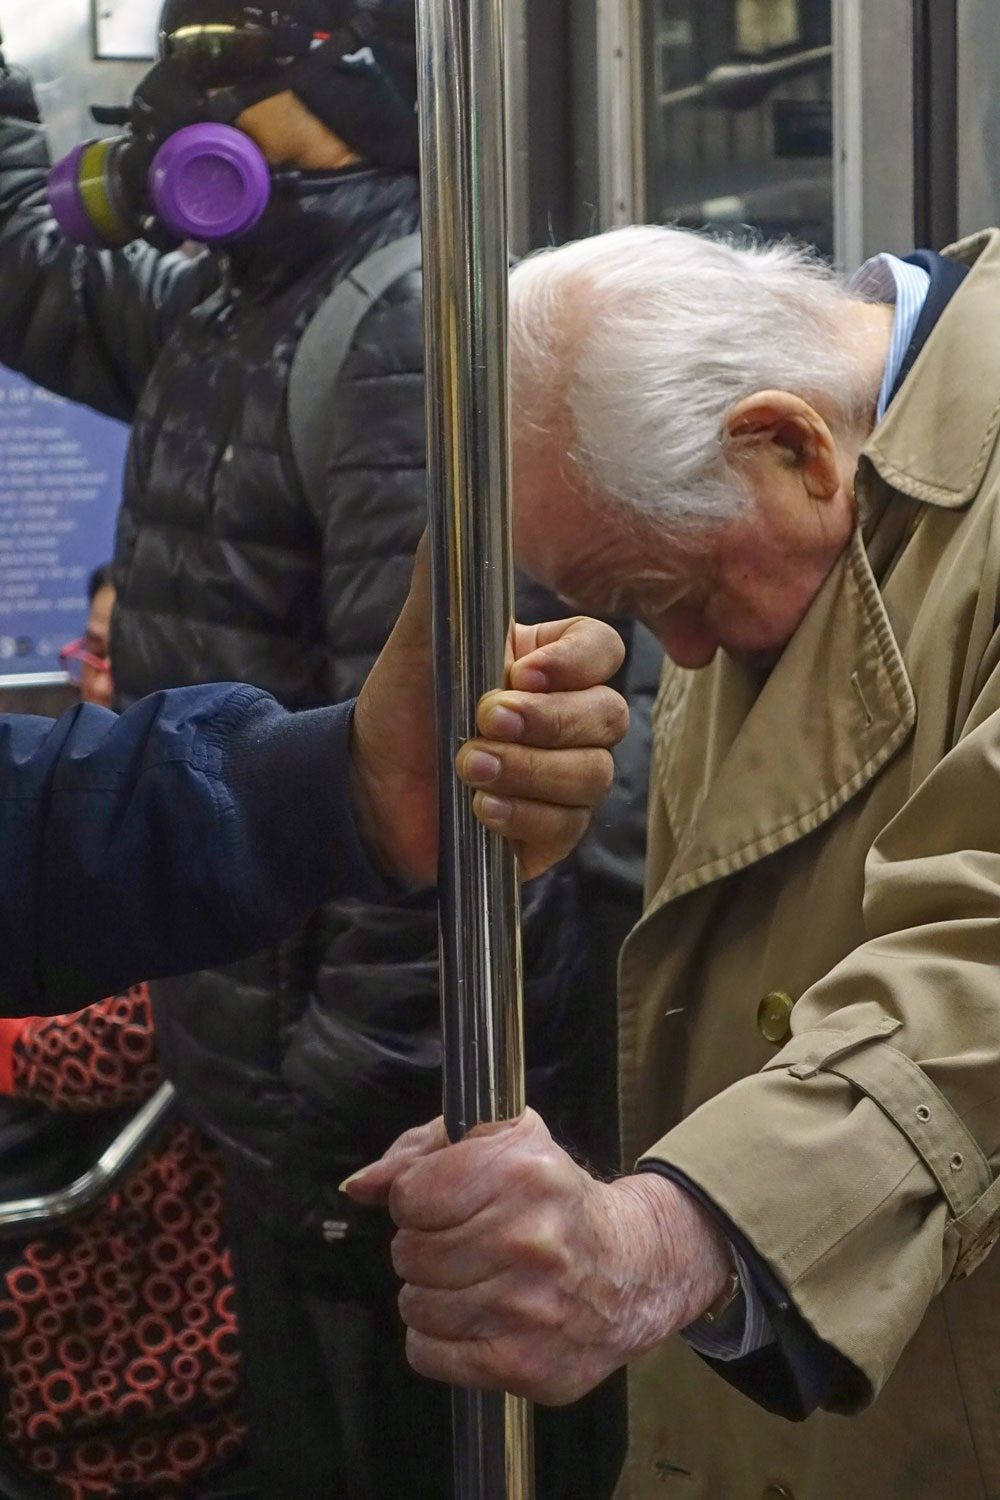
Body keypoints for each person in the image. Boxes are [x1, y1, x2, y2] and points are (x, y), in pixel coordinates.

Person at [0, 6, 620, 1492]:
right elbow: (21, 261)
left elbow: (453, 793)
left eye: (224, 68)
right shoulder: (225, 304)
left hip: (362, 1129)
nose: (173, 107)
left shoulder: (405, 322)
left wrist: (339, 1112)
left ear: (347, 88)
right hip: (257, 1080)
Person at [344, 224, 1000, 1500]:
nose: (678, 656)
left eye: (666, 593)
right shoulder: (804, 511)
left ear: (789, 445)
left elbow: (975, 967)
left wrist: (671, 1234)